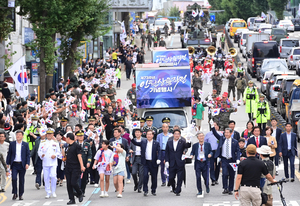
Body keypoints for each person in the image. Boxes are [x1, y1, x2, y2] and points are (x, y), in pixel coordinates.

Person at [211, 122, 240, 195]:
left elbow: (238, 150)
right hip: (224, 159)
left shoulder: (235, 141)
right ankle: (225, 188)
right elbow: (215, 133)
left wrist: (238, 159)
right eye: (225, 132)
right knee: (224, 174)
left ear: (231, 133)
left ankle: (230, 189)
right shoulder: (221, 139)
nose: (226, 134)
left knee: (232, 175)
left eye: (228, 132)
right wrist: (212, 125)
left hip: (232, 160)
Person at [130, 130, 161, 196]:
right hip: (146, 162)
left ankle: (153, 189)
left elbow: (159, 151)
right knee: (145, 176)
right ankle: (145, 190)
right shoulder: (143, 142)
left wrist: (158, 159)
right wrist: (131, 138)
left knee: (154, 177)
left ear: (153, 135)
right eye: (148, 134)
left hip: (153, 162)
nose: (149, 136)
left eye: (150, 134)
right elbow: (136, 143)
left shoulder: (156, 143)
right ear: (146, 135)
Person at [165, 129, 191, 196]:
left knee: (180, 177)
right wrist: (167, 161)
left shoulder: (182, 141)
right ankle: (174, 187)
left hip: (180, 162)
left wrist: (188, 140)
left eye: (178, 134)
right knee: (171, 178)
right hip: (172, 162)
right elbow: (167, 152)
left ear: (180, 135)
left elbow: (187, 146)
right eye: (175, 134)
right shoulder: (169, 142)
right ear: (173, 135)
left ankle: (178, 190)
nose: (177, 135)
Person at [6, 130, 30, 200]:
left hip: (22, 164)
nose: (18, 136)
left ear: (22, 136)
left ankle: (21, 194)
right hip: (14, 164)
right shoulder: (12, 144)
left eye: (19, 135)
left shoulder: (25, 144)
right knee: (14, 178)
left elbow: (28, 155)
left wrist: (27, 163)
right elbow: (9, 154)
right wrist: (8, 163)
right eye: (17, 135)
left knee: (21, 180)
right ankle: (15, 193)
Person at [38, 128, 61, 198]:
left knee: (53, 176)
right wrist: (41, 155)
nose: (49, 135)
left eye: (50, 134)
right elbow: (39, 151)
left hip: (53, 162)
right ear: (46, 135)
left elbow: (58, 152)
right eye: (48, 134)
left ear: (53, 134)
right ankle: (48, 192)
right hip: (45, 162)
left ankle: (53, 191)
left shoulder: (55, 143)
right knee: (46, 178)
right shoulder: (43, 142)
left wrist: (55, 155)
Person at [63, 133, 85, 205]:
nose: (65, 139)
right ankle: (71, 199)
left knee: (73, 182)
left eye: (66, 138)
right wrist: (62, 148)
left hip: (75, 167)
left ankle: (79, 193)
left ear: (69, 138)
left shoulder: (76, 146)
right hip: (68, 167)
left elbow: (79, 156)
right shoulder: (67, 146)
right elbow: (64, 156)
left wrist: (82, 166)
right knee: (69, 184)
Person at [190, 132, 212, 197]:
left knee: (206, 177)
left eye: (202, 136)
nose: (201, 137)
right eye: (200, 136)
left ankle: (207, 185)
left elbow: (211, 151)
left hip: (205, 162)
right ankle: (199, 190)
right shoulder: (195, 145)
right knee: (198, 177)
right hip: (198, 162)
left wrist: (210, 154)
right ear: (197, 138)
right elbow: (192, 152)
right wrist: (191, 155)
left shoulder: (207, 144)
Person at [76, 130, 92, 196]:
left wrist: (89, 162)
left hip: (84, 164)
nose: (80, 137)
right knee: (76, 178)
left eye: (81, 136)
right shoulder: (75, 144)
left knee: (84, 179)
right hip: (76, 164)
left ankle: (82, 191)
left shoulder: (87, 145)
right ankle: (76, 191)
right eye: (79, 136)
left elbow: (89, 154)